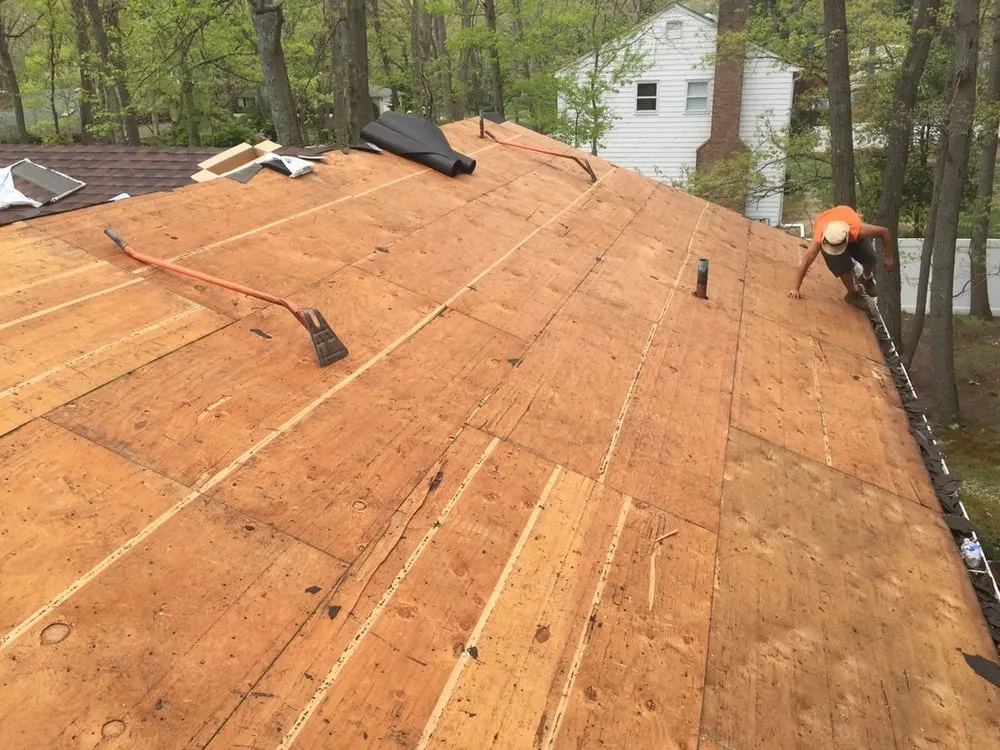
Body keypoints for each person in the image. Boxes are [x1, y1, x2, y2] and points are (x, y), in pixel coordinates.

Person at [787, 204, 894, 309]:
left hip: (849, 230)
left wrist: (888, 258)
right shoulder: (820, 237)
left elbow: (885, 232)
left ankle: (866, 278)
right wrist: (795, 288)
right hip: (831, 229)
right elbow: (806, 261)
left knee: (869, 256)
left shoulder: (857, 229)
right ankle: (852, 293)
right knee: (841, 264)